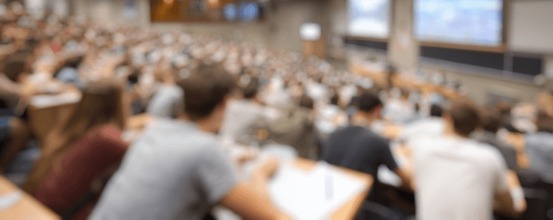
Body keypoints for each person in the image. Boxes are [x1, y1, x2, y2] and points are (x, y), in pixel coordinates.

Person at [90, 64, 288, 220]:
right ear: (224, 104)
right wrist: (261, 172)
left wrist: (229, 166)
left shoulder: (153, 132)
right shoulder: (204, 150)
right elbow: (270, 216)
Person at [27, 81, 128, 220]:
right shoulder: (106, 140)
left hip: (37, 204)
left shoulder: (74, 130)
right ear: (119, 103)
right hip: (56, 213)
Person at [411, 101, 519, 220]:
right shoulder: (489, 157)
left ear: (447, 118)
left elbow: (413, 181)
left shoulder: (423, 148)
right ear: (477, 126)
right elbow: (513, 206)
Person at [321, 92, 412, 197]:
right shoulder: (377, 141)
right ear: (377, 110)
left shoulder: (334, 134)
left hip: (331, 197)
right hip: (361, 203)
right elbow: (405, 180)